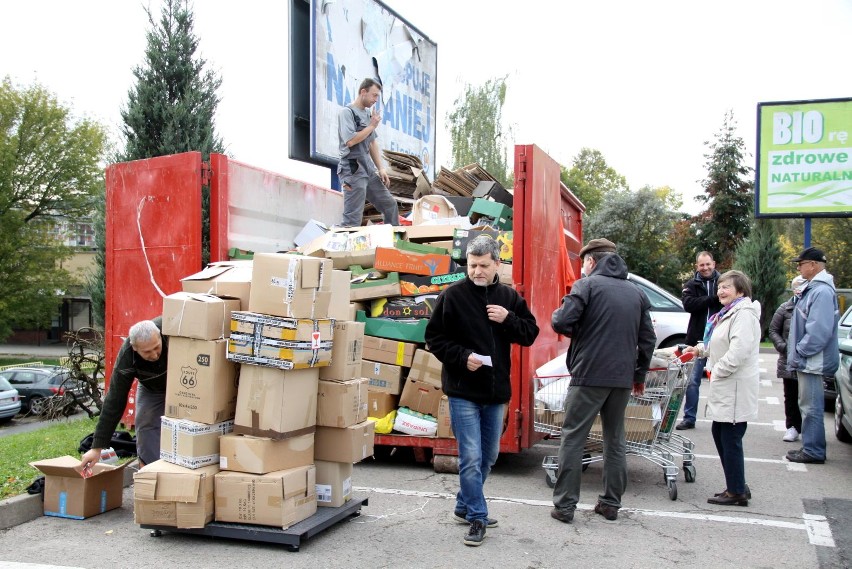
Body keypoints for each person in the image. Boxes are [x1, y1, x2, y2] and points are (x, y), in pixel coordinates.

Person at [425, 235, 539, 547]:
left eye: (483, 265)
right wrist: (462, 357)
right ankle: (477, 516)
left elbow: (530, 334)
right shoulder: (452, 296)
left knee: (487, 456)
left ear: (497, 264)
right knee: (471, 456)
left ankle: (463, 505)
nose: (476, 271)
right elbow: (433, 338)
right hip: (462, 390)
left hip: (496, 391)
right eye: (472, 265)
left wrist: (508, 318)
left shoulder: (508, 297)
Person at [549, 238, 656, 524]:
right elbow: (648, 339)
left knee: (573, 437)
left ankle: (565, 506)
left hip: (588, 375)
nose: (582, 268)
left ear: (591, 262)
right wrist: (639, 375)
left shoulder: (586, 286)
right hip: (621, 378)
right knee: (615, 438)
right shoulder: (636, 293)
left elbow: (561, 321)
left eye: (583, 262)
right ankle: (610, 503)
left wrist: (581, 330)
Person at [685, 270, 760, 506]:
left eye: (726, 287)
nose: (720, 291)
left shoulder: (744, 315)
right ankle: (736, 485)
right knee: (721, 433)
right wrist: (700, 350)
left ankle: (736, 490)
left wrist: (715, 371)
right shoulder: (727, 314)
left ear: (740, 290)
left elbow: (738, 351)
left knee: (730, 437)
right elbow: (719, 343)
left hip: (734, 386)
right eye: (719, 287)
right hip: (726, 385)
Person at [80, 318, 169, 470]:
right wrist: (97, 448)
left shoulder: (169, 325)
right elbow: (114, 401)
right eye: (147, 352)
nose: (154, 355)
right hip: (152, 387)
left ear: (160, 336)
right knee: (145, 422)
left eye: (157, 347)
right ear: (134, 348)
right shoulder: (126, 359)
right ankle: (151, 471)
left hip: (181, 383)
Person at [785, 247, 840, 464]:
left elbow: (819, 330)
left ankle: (813, 450)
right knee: (808, 405)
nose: (799, 268)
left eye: (801, 263)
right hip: (810, 360)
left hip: (812, 360)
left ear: (813, 265)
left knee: (811, 406)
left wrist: (801, 351)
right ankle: (810, 447)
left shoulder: (821, 291)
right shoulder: (816, 289)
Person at [337, 78, 399, 227]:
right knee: (353, 219)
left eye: (377, 96)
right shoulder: (347, 113)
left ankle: (392, 244)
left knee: (390, 205)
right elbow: (350, 141)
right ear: (363, 92)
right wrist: (371, 126)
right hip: (352, 170)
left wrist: (381, 168)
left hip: (368, 169)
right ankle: (343, 249)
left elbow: (371, 142)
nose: (376, 100)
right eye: (374, 95)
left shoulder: (366, 114)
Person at [676, 251, 723, 430]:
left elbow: (730, 302)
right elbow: (689, 305)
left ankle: (721, 418)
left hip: (720, 339)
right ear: (697, 266)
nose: (705, 268)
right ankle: (689, 418)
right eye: (701, 265)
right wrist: (712, 299)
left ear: (714, 263)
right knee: (692, 381)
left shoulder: (724, 282)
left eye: (708, 264)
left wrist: (708, 300)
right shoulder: (691, 284)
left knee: (720, 380)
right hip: (696, 340)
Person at [768, 276, 807, 443]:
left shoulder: (811, 307)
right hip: (788, 360)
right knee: (790, 395)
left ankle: (808, 429)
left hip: (807, 359)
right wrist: (783, 347)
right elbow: (773, 330)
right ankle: (792, 427)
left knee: (807, 397)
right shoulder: (785, 308)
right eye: (796, 286)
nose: (799, 289)